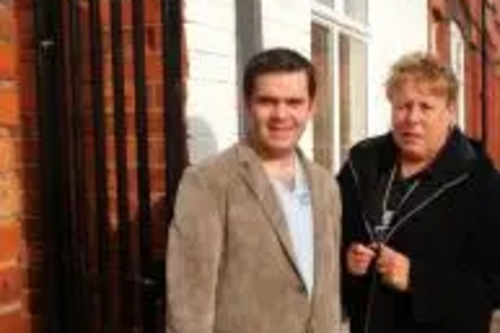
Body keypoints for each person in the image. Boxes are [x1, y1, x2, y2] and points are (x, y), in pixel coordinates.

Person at [166, 47, 343, 333]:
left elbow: (327, 289)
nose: (281, 114)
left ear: (311, 107)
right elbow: (188, 306)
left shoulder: (325, 184)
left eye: (294, 102)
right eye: (267, 101)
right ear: (247, 104)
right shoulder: (208, 182)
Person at [338, 51, 500, 333]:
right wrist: (347, 259)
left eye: (426, 107)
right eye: (402, 106)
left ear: (449, 112)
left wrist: (417, 279)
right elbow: (329, 236)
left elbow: (493, 282)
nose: (412, 118)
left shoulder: (478, 179)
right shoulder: (362, 162)